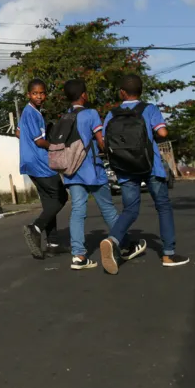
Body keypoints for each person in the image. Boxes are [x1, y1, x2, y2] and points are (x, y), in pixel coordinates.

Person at [99, 74, 190, 274]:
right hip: (150, 166)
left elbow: (104, 142)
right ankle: (168, 253)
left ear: (122, 92)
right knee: (163, 207)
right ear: (141, 91)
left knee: (130, 210)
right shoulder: (149, 109)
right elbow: (163, 133)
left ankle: (112, 239)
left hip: (125, 168)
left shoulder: (112, 114)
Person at [60, 79, 147, 270]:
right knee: (107, 208)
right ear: (84, 95)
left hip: (71, 172)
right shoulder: (90, 114)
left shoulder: (65, 117)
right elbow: (101, 141)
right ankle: (123, 244)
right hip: (92, 170)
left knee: (77, 210)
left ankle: (78, 256)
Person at [17, 78, 67, 259]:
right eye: (35, 93)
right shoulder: (34, 114)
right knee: (61, 196)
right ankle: (35, 228)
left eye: (42, 93)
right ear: (28, 94)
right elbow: (39, 141)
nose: (39, 96)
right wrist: (57, 146)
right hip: (40, 162)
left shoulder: (27, 113)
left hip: (28, 162)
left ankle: (53, 243)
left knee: (49, 202)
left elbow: (18, 132)